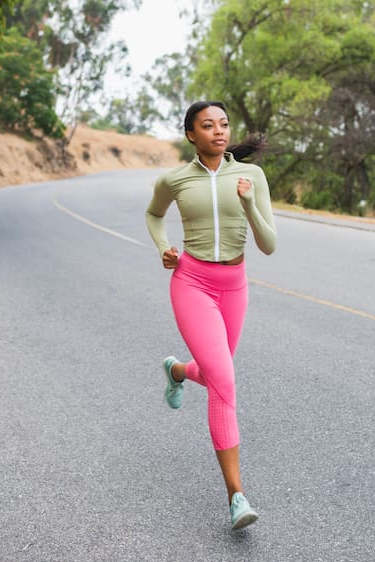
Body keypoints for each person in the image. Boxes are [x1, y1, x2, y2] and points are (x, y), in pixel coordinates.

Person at [145, 101, 277, 530]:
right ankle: (236, 496)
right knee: (225, 381)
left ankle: (178, 371)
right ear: (191, 135)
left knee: (215, 371)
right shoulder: (176, 179)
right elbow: (153, 214)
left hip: (234, 285)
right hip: (192, 282)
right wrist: (163, 246)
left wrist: (250, 203)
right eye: (208, 125)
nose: (218, 131)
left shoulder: (251, 175)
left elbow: (269, 243)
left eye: (223, 124)